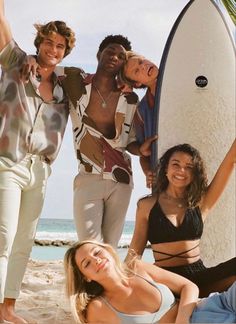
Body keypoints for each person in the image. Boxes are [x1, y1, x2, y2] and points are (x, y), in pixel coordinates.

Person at [0, 1, 76, 322]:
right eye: (48, 42)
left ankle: (9, 307)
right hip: (8, 162)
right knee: (3, 235)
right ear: (39, 42)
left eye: (60, 46)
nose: (53, 49)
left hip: (41, 170)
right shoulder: (17, 63)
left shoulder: (68, 86)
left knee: (23, 242)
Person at [61, 36, 155, 248]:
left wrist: (141, 148)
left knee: (110, 248)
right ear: (99, 54)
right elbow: (46, 68)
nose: (114, 57)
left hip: (121, 180)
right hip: (88, 176)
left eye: (121, 56)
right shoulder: (74, 79)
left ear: (124, 64)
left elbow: (129, 142)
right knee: (89, 246)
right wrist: (30, 59)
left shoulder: (130, 99)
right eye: (110, 51)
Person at [125, 139, 236, 297]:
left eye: (189, 167)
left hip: (200, 279)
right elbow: (134, 252)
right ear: (165, 169)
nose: (181, 171)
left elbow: (231, 160)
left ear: (194, 173)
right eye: (175, 164)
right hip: (166, 282)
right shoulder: (146, 205)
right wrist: (118, 283)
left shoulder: (201, 202)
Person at [64, 240, 236, 324]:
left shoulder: (137, 267)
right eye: (86, 263)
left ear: (108, 251)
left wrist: (182, 320)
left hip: (214, 305)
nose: (95, 260)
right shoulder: (98, 308)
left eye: (97, 252)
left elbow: (188, 286)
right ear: (86, 276)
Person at [120, 51, 159, 188]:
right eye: (137, 71)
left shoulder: (179, 78)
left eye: (142, 61)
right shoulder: (141, 111)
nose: (143, 66)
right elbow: (144, 155)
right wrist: (148, 172)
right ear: (137, 84)